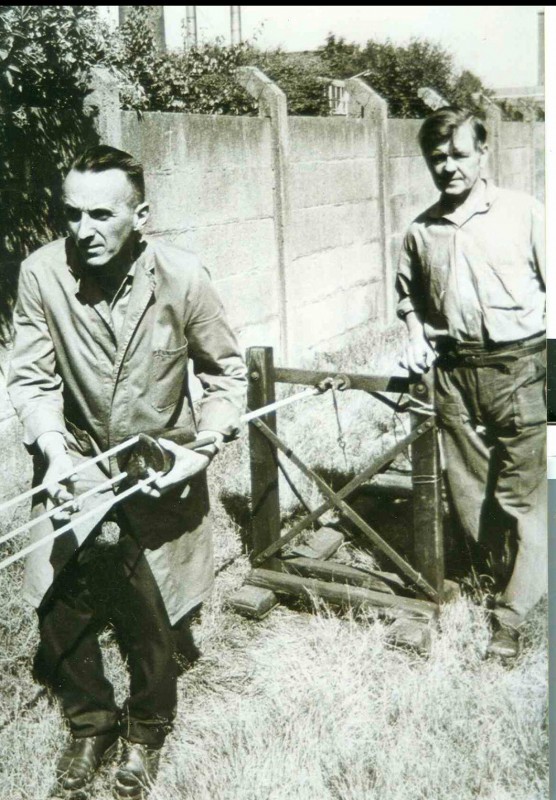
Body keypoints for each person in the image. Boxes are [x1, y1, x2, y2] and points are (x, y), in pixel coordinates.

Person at [7, 145, 247, 798]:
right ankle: (89, 724)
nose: (82, 230)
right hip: (76, 460)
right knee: (61, 607)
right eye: (71, 214)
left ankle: (146, 729)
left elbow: (225, 374)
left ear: (139, 215)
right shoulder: (41, 273)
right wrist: (52, 449)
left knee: (152, 615)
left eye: (100, 215)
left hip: (160, 469)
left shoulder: (184, 277)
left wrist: (203, 446)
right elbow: (30, 376)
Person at [396, 106, 546, 660]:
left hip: (519, 367)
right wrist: (413, 329)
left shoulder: (525, 213)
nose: (449, 167)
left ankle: (512, 615)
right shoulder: (420, 230)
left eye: (460, 154)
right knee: (468, 487)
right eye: (438, 157)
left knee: (522, 494)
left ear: (484, 153)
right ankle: (497, 572)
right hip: (455, 375)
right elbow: (406, 296)